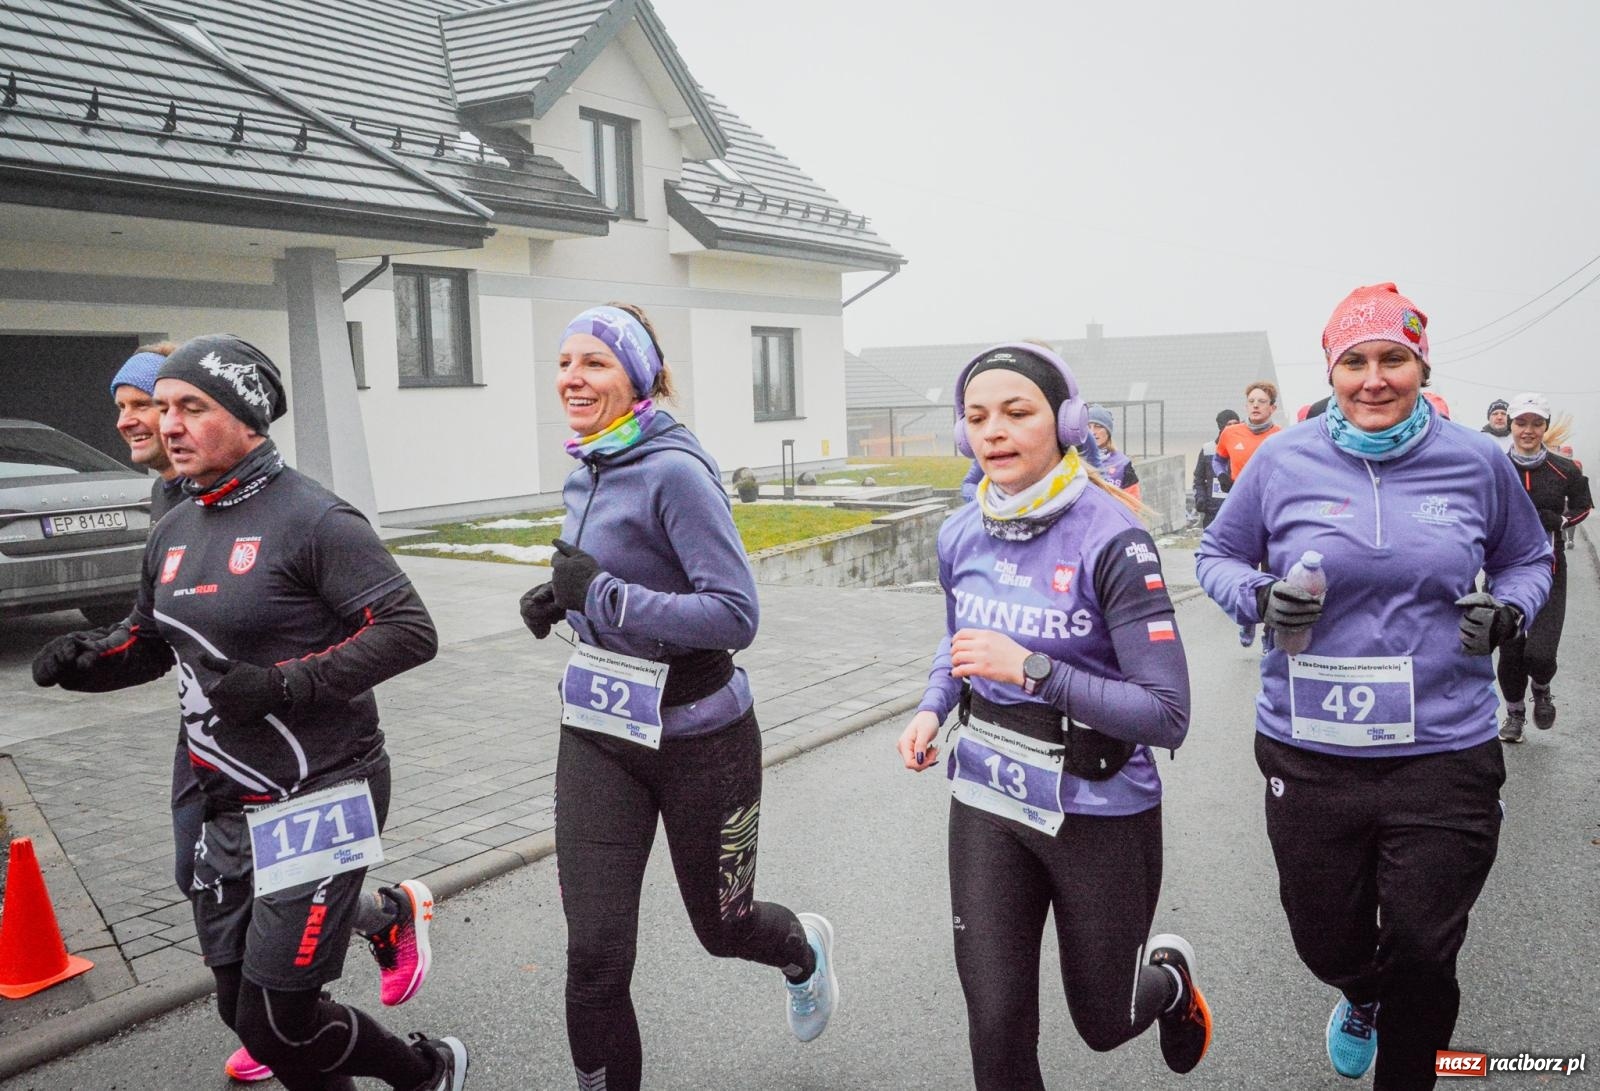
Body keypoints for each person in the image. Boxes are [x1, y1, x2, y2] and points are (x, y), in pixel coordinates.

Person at [32, 335, 464, 1091]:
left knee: (282, 1021)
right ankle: (424, 1073)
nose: (168, 424)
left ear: (248, 414)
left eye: (190, 407)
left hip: (322, 789)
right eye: (162, 407)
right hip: (225, 804)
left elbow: (409, 630)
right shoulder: (174, 523)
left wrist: (282, 685)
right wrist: (87, 662)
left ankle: (424, 1071)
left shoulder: (315, 517)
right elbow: (149, 640)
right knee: (243, 1009)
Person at [1197, 283, 1552, 1090]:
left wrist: (1508, 613)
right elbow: (1215, 555)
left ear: (1421, 364)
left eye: (1394, 358)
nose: (1374, 378)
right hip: (1311, 746)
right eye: (1354, 361)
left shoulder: (1477, 459)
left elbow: (1530, 559)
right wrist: (1256, 595)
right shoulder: (1285, 459)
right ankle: (1361, 993)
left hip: (1446, 748)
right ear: (1332, 369)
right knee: (1325, 939)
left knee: (1426, 949)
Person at [518, 304, 836, 1091]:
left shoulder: (676, 471)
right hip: (598, 734)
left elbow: (734, 613)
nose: (572, 378)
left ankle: (802, 949)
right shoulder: (586, 464)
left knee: (722, 928)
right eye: (564, 362)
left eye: (593, 362)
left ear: (636, 374)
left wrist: (608, 596)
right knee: (593, 954)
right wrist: (563, 599)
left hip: (703, 740)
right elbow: (623, 574)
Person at [897, 343, 1211, 1090]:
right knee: (996, 1027)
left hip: (1098, 807)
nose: (993, 431)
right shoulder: (960, 532)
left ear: (1065, 422)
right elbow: (960, 639)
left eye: (1016, 412)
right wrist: (932, 704)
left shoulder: (1113, 537)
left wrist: (1034, 669)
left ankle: (1166, 982)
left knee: (1103, 1020)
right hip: (986, 798)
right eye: (976, 417)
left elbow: (1167, 713)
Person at [1495, 392, 1592, 743]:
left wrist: (1561, 521)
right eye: (1521, 422)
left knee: (1540, 654)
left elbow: (1583, 506)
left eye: (1536, 423)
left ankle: (1542, 686)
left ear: (1545, 428)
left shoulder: (1562, 469)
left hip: (1550, 570)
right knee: (1511, 652)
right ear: (1511, 425)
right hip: (1503, 572)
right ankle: (1515, 715)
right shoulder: (1495, 465)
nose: (1528, 430)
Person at [1214, 381, 1283, 646]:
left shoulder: (1279, 436)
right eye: (1251, 401)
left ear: (1272, 407)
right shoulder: (1231, 433)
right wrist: (1222, 476)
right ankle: (1246, 621)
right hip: (1241, 510)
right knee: (1242, 570)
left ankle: (1269, 633)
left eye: (1261, 401)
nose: (1255, 405)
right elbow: (1218, 458)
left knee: (1271, 571)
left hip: (1269, 512)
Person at [1193, 408, 1239, 528]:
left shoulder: (1243, 449)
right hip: (1213, 511)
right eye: (1229, 424)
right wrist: (1200, 497)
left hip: (1237, 509)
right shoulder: (1208, 449)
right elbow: (1198, 478)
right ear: (1221, 426)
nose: (1233, 427)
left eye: (1236, 424)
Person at [1086, 404, 1141, 499]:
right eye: (1088, 426)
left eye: (1098, 426)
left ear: (1108, 431)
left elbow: (1133, 502)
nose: (1092, 432)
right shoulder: (1075, 459)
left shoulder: (1122, 463)